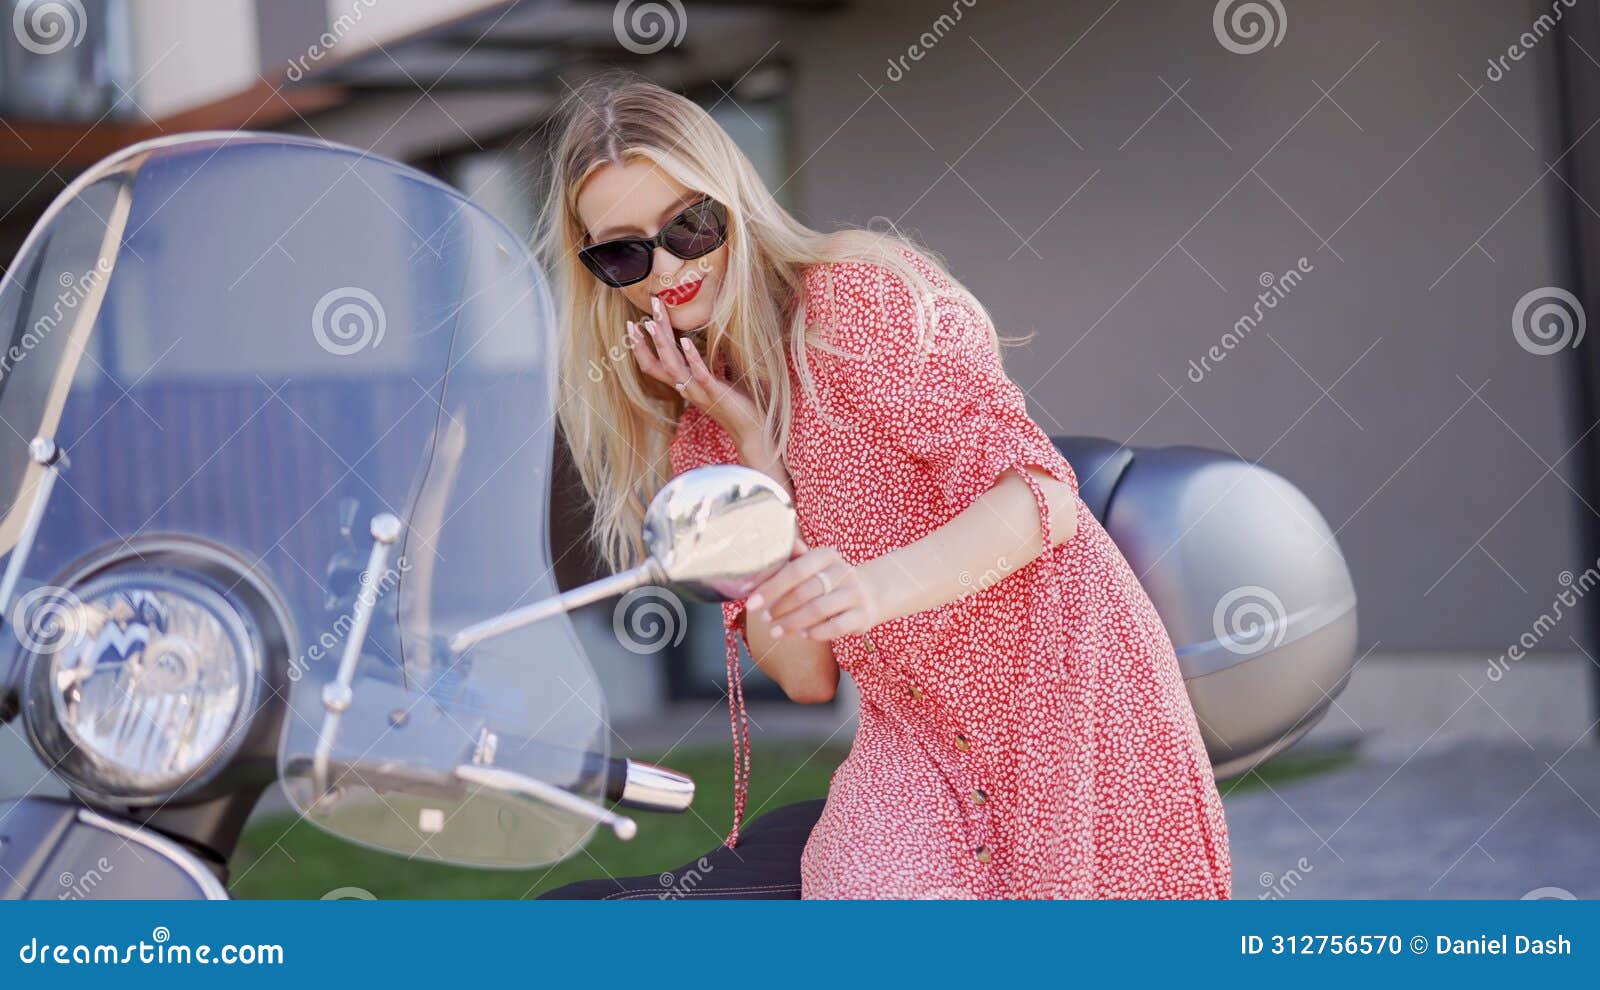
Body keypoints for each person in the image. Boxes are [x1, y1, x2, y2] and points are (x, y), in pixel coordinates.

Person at [537, 73, 1230, 899]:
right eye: (623, 251)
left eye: (690, 224)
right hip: (919, 739)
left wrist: (874, 587)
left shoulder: (854, 300)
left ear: (735, 206)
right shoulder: (709, 437)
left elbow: (1042, 495)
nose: (666, 267)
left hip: (1061, 695)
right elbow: (804, 675)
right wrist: (759, 461)